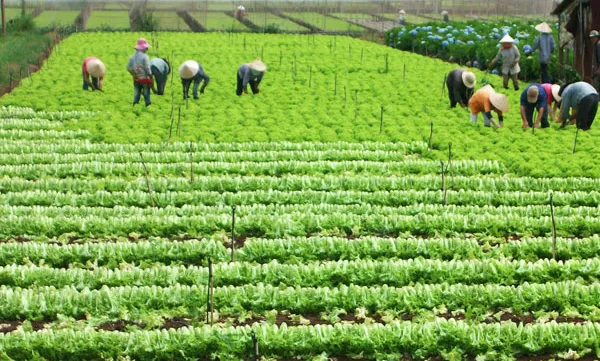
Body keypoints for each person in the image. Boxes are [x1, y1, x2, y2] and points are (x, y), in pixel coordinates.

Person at [126, 38, 152, 107]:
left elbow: (128, 67)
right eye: (146, 48)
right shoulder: (145, 57)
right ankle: (148, 105)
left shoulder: (132, 57)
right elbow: (147, 68)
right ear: (143, 48)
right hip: (145, 79)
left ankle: (135, 105)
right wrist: (150, 75)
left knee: (136, 93)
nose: (147, 49)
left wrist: (134, 74)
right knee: (146, 94)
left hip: (136, 79)